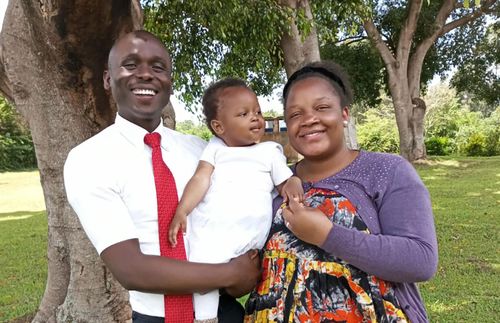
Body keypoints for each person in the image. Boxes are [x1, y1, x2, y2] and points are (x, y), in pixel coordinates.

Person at [63, 30, 260, 323]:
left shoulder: (201, 152)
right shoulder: (88, 159)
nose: (146, 75)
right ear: (107, 79)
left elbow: (245, 208)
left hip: (224, 312)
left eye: (158, 68)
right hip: (155, 317)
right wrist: (232, 273)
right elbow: (130, 269)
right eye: (130, 65)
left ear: (169, 81)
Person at [244, 61, 438, 323]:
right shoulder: (274, 181)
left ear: (344, 114)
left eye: (322, 107)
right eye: (295, 114)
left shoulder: (386, 171)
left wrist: (327, 235)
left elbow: (420, 260)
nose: (309, 119)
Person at [167, 78, 304, 322]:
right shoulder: (216, 148)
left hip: (250, 238)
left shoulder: (269, 152)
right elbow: (201, 179)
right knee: (205, 271)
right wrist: (183, 210)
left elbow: (284, 183)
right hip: (213, 229)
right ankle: (206, 318)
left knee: (250, 277)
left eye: (258, 111)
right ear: (219, 127)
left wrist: (293, 182)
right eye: (243, 113)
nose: (256, 118)